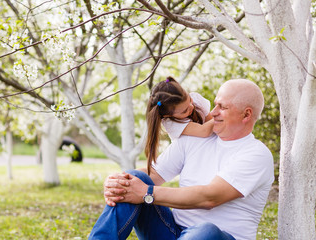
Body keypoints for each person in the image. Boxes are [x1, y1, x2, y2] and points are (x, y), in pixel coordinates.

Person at [88, 79, 275, 240]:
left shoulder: (256, 154)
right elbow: (151, 176)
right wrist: (117, 182)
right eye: (216, 104)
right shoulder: (192, 139)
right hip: (172, 231)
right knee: (132, 176)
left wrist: (146, 192)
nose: (214, 112)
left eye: (223, 107)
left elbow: (210, 197)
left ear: (247, 114)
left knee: (205, 231)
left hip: (215, 237)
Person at [145, 76, 214, 174]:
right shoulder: (171, 123)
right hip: (193, 156)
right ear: (168, 115)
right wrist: (223, 114)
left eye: (189, 100)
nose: (191, 106)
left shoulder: (196, 99)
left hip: (209, 147)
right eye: (184, 110)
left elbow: (211, 124)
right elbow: (205, 131)